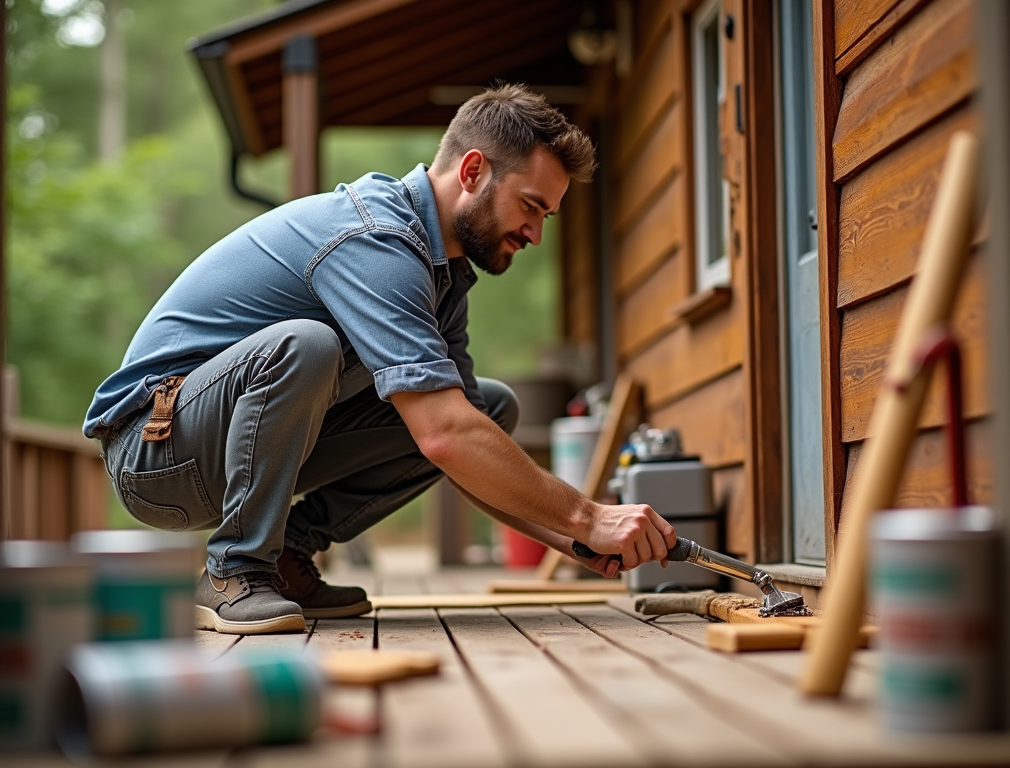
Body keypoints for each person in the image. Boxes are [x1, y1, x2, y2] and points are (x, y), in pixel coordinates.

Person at [84, 84, 676, 635]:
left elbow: (461, 442)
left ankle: (285, 554)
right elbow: (446, 435)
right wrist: (587, 513)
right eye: (529, 205)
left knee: (486, 411)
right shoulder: (376, 240)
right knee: (307, 347)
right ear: (473, 171)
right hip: (155, 452)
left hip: (225, 441)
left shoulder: (441, 276)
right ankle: (234, 569)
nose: (535, 233)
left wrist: (580, 540)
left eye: (546, 216)